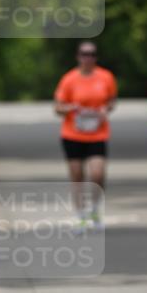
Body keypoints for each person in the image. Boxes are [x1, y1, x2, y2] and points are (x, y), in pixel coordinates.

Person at [54, 41, 117, 230]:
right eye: (84, 54)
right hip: (72, 134)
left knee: (97, 174)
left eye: (92, 54)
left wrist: (106, 109)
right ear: (78, 56)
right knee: (77, 176)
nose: (88, 57)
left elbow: (112, 101)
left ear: (96, 57)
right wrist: (70, 108)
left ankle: (95, 209)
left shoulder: (106, 77)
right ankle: (80, 215)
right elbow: (57, 107)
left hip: (97, 133)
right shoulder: (69, 79)